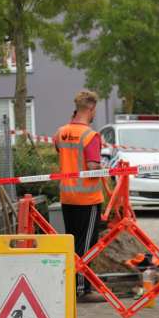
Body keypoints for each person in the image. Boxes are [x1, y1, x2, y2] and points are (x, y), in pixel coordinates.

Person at [54, 90, 106, 303]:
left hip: (67, 197)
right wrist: (107, 169)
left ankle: (71, 287)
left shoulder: (60, 132)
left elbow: (63, 153)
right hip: (87, 199)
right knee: (87, 246)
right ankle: (82, 290)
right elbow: (93, 166)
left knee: (73, 243)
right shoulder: (90, 136)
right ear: (92, 107)